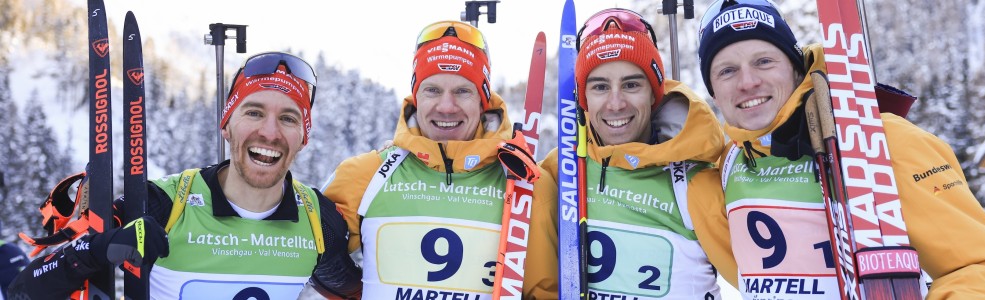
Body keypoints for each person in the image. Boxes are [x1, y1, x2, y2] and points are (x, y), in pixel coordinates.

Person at [695, 0, 985, 298]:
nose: (748, 82)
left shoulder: (879, 140)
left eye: (764, 61)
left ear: (795, 67)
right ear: (713, 91)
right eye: (727, 71)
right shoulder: (725, 172)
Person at [6, 52, 362, 299]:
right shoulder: (163, 203)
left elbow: (355, 288)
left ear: (304, 136)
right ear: (227, 125)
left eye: (288, 118)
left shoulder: (318, 220)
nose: (269, 133)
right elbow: (24, 291)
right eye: (253, 113)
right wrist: (100, 247)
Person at [320, 20, 555, 299]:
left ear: (483, 101)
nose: (446, 107)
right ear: (415, 95)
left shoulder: (527, 185)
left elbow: (546, 292)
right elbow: (312, 265)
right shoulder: (365, 175)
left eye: (462, 91)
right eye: (432, 90)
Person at [531, 9, 727, 299]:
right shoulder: (558, 174)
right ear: (583, 99)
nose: (615, 103)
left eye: (631, 84)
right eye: (599, 87)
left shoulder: (698, 180)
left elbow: (763, 282)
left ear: (653, 92)